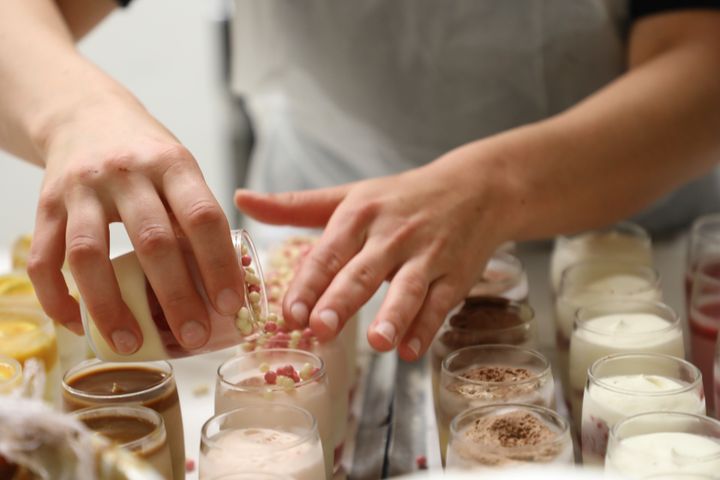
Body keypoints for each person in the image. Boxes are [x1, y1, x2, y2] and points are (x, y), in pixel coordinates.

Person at [1, 1, 720, 362]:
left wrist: (500, 186)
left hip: (625, 235)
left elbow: (702, 63)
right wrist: (75, 114)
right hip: (323, 244)